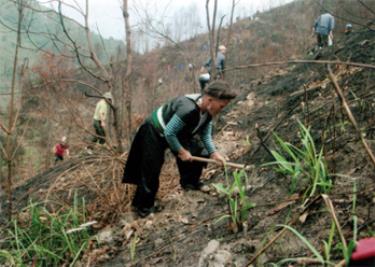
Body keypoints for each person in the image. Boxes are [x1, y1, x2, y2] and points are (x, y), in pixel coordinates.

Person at [122, 81, 236, 218]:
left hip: (177, 133)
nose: (221, 109)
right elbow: (169, 132)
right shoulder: (187, 109)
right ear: (210, 99)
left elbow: (205, 135)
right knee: (151, 168)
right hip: (154, 130)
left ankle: (190, 183)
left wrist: (213, 153)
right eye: (221, 106)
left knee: (199, 150)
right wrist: (181, 151)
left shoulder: (208, 113)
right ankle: (143, 207)